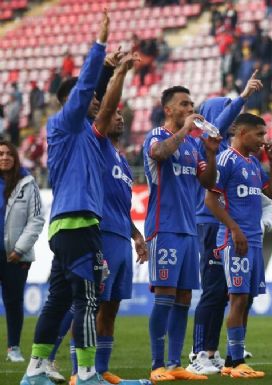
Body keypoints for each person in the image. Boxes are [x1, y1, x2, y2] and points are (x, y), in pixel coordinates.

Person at [19, 11, 110, 385]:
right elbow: (86, 88)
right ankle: (87, 373)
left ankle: (36, 370)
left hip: (69, 224)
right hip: (76, 223)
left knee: (58, 298)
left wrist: (111, 70)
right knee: (87, 299)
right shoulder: (65, 122)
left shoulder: (84, 132)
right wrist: (100, 47)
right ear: (73, 100)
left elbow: (97, 96)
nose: (95, 102)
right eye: (88, 98)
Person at [142, 85, 219, 382]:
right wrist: (186, 129)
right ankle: (157, 364)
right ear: (169, 110)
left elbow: (207, 181)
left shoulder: (193, 146)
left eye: (191, 104)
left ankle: (175, 364)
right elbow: (159, 153)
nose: (190, 108)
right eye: (184, 104)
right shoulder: (158, 136)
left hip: (189, 229)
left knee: (184, 296)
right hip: (164, 226)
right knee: (164, 295)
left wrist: (210, 154)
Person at [188, 72, 263, 376]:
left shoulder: (228, 153)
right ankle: (198, 353)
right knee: (213, 290)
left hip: (219, 224)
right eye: (227, 110)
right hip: (210, 225)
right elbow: (217, 125)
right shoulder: (207, 145)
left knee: (223, 293)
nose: (233, 119)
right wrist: (243, 95)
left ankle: (212, 350)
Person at [87, 52, 149, 384]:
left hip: (120, 238)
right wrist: (115, 73)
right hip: (99, 236)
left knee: (111, 308)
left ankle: (101, 369)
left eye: (124, 116)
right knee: (91, 305)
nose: (120, 119)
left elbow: (121, 205)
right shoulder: (95, 146)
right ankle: (80, 371)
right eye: (116, 115)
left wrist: (136, 235)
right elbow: (104, 106)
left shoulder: (123, 160)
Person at [205, 113, 272, 378]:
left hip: (253, 240)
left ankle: (232, 359)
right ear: (242, 133)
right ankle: (235, 363)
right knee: (237, 298)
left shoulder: (252, 162)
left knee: (245, 300)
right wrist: (235, 230)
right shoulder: (226, 160)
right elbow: (210, 201)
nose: (263, 140)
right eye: (259, 134)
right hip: (234, 239)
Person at [1, 140, 44, 362]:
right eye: (0, 154)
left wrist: (19, 249)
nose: (4, 157)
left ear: (15, 158)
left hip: (14, 255)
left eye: (9, 153)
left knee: (13, 302)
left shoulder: (28, 183)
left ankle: (14, 348)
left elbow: (36, 219)